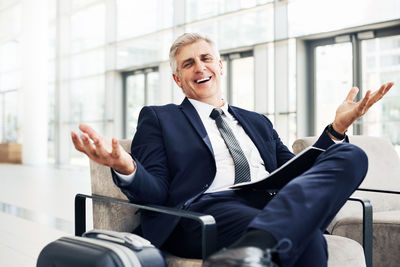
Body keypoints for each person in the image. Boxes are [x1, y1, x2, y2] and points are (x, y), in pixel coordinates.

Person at [71, 33, 393, 267]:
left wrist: (336, 130)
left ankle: (257, 244)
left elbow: (296, 171)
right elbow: (155, 192)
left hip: (269, 203)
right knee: (305, 237)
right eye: (188, 64)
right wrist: (126, 165)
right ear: (177, 79)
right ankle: (262, 240)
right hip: (205, 211)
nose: (200, 67)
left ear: (220, 67)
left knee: (352, 154)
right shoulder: (159, 118)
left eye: (206, 58)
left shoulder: (257, 122)